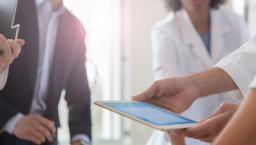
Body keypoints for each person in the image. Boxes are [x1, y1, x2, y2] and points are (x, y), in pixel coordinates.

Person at [148, 0, 249, 144]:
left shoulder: (235, 22)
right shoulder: (164, 31)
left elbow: (249, 74)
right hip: (182, 138)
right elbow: (167, 102)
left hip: (230, 131)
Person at [133, 35, 256, 144]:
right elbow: (250, 57)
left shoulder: (233, 20)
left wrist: (246, 121)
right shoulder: (164, 30)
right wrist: (193, 84)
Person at [0, 0, 91, 145]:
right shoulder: (8, 6)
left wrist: (80, 138)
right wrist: (13, 120)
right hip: (6, 131)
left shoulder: (75, 27)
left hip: (47, 135)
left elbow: (79, 92)